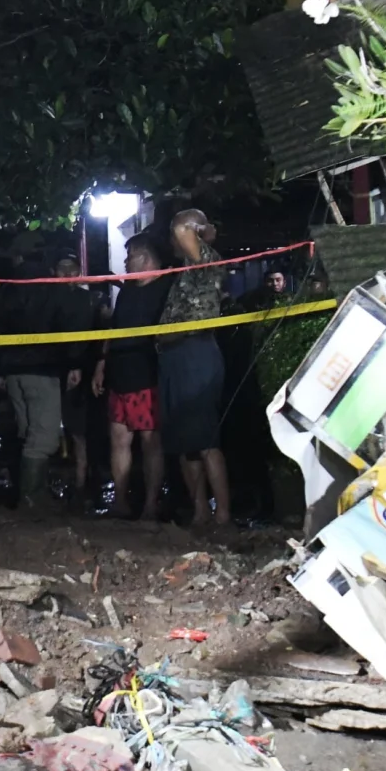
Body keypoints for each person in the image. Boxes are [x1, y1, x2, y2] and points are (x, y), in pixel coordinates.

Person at [0, 245, 95, 508]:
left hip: (13, 374)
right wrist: (74, 364)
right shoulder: (50, 288)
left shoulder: (7, 289)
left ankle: (31, 493)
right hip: (42, 371)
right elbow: (69, 328)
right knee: (43, 438)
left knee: (27, 433)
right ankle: (31, 497)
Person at [156, 208, 231, 530]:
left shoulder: (206, 259)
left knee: (205, 438)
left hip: (196, 354)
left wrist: (200, 226)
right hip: (174, 356)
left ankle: (224, 514)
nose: (175, 236)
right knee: (183, 442)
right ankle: (200, 511)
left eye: (180, 231)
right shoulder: (186, 267)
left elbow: (183, 227)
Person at [93, 236, 168, 522]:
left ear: (145, 257)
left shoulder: (165, 288)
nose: (125, 263)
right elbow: (113, 330)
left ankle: (151, 504)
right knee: (118, 439)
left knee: (151, 442)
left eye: (129, 257)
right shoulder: (127, 292)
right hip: (119, 376)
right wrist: (102, 364)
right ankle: (121, 501)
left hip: (147, 376)